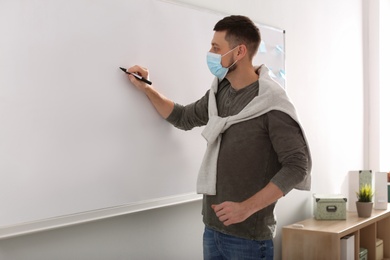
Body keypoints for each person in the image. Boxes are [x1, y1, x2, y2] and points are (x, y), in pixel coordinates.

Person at [125, 15, 311, 260]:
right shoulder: (219, 92)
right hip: (212, 230)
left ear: (239, 51)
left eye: (216, 48)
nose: (210, 53)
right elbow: (182, 116)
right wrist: (146, 88)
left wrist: (247, 208)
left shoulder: (271, 103)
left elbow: (298, 166)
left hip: (249, 238)